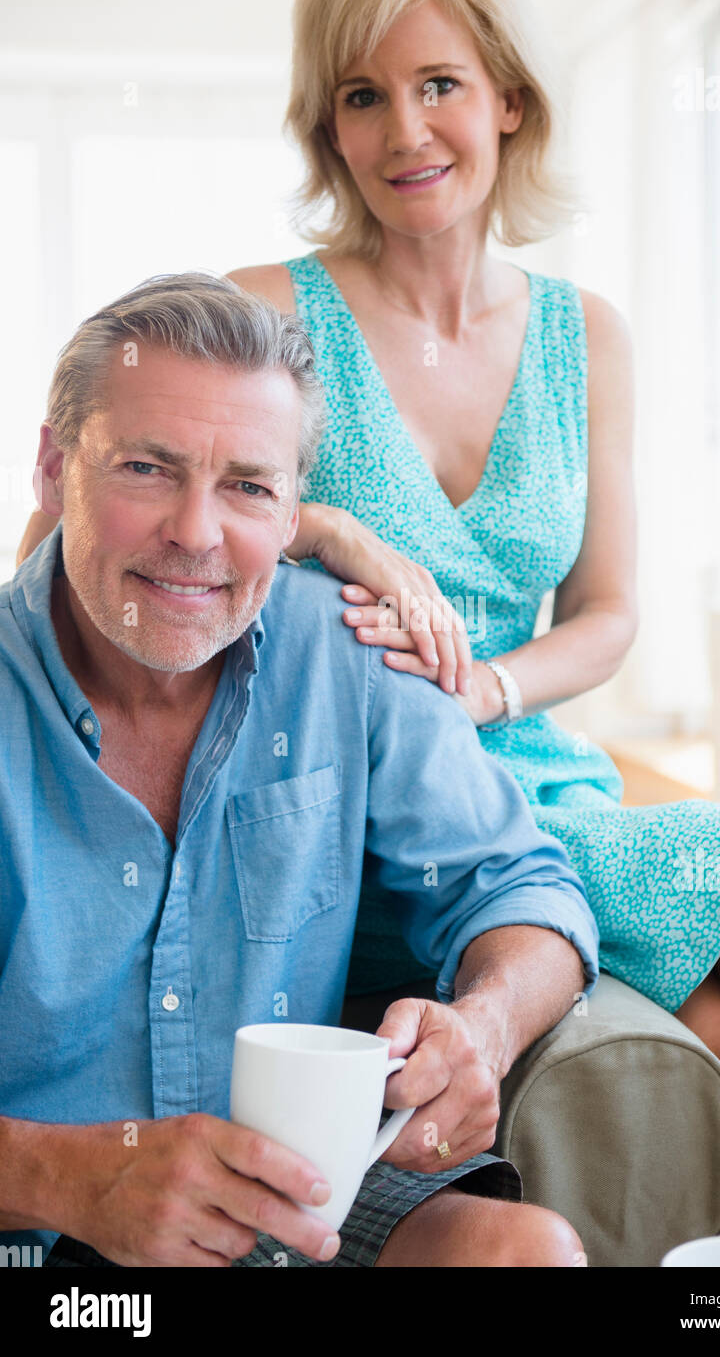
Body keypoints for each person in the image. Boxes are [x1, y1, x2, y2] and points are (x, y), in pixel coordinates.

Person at [17, 0, 720, 1241]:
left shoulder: (588, 334)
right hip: (332, 753)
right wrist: (329, 526)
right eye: (364, 96)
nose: (404, 131)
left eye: (438, 87)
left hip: (507, 750)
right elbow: (107, 506)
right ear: (327, 124)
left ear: (510, 102)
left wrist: (489, 686)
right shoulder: (261, 308)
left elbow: (612, 610)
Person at [0, 272, 599, 1269]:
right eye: (146, 468)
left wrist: (485, 1024)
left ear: (292, 511)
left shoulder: (349, 651)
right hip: (29, 1224)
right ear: (56, 465)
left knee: (524, 1253)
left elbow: (520, 883)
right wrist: (69, 1175)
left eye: (246, 485)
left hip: (295, 1201)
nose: (195, 533)